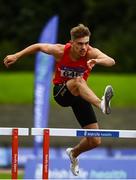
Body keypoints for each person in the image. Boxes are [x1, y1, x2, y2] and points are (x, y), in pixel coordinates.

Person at [4, 24, 115, 176]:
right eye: (80, 44)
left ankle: (74, 153)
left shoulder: (91, 53)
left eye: (86, 43)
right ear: (72, 42)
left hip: (80, 95)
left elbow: (111, 61)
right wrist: (16, 56)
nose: (84, 47)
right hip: (61, 93)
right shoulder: (61, 51)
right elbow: (38, 46)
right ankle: (101, 104)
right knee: (78, 80)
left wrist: (97, 61)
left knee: (95, 140)